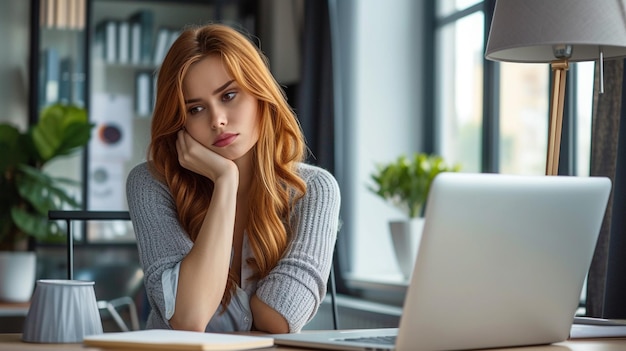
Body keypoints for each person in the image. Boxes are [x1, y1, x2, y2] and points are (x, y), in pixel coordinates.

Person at [125, 23, 341, 334]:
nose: (217, 121)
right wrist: (225, 181)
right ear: (179, 122)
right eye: (196, 108)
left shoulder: (312, 189)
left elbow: (278, 319)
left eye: (228, 95)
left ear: (259, 93)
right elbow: (188, 317)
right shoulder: (151, 184)